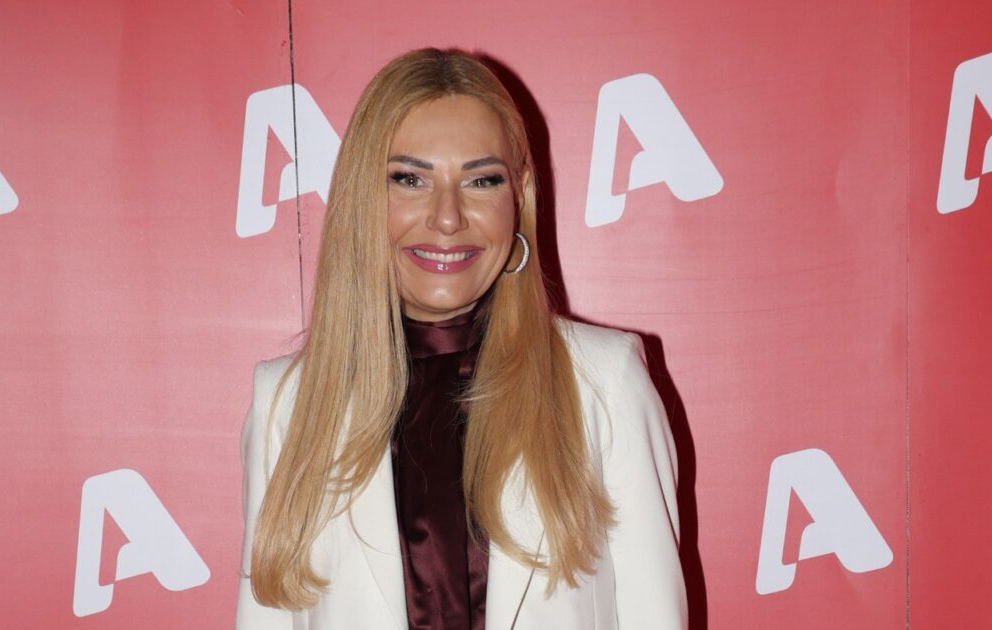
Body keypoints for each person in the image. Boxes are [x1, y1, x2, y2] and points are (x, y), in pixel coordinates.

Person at [237, 48, 686, 630]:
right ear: (361, 199)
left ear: (518, 194)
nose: (448, 217)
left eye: (481, 180)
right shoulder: (287, 405)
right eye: (409, 179)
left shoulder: (605, 382)